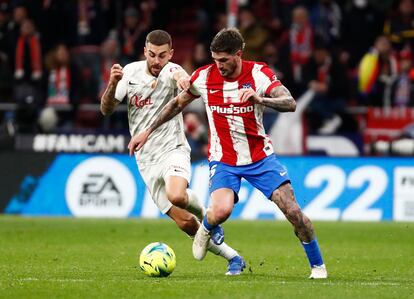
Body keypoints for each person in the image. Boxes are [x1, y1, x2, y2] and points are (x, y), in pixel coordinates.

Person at [129, 28, 328, 279]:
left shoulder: (258, 73)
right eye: (215, 60)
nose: (219, 66)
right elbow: (176, 104)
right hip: (224, 160)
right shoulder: (204, 77)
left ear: (239, 54)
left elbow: (290, 102)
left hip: (260, 158)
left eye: (224, 60)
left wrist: (260, 100)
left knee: (293, 212)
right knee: (221, 211)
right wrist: (147, 130)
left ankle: (318, 267)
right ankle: (206, 228)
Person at [100, 29, 244, 275]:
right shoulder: (130, 73)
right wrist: (113, 84)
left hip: (172, 148)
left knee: (176, 195)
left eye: (163, 55)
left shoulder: (170, 70)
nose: (157, 61)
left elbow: (180, 76)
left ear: (171, 54)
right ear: (145, 51)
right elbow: (107, 109)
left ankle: (209, 219)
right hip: (146, 160)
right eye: (153, 55)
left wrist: (182, 79)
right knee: (187, 223)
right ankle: (234, 258)